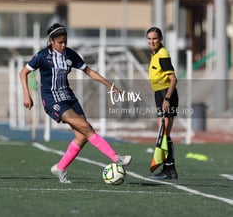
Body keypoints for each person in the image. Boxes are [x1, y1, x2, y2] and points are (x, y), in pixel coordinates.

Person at [19, 23, 132, 183]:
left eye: (65, 41)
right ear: (51, 40)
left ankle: (60, 168)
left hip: (69, 97)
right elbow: (23, 73)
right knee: (86, 127)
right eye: (60, 42)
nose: (63, 45)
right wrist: (26, 94)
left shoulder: (70, 54)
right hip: (52, 100)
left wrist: (110, 86)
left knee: (82, 136)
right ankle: (116, 158)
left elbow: (89, 71)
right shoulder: (42, 56)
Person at [146, 26, 178, 180]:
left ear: (160, 39)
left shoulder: (162, 54)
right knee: (163, 134)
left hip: (166, 95)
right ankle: (168, 169)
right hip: (160, 95)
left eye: (155, 39)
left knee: (164, 134)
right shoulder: (154, 53)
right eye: (149, 39)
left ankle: (169, 170)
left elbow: (173, 79)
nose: (152, 41)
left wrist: (166, 99)